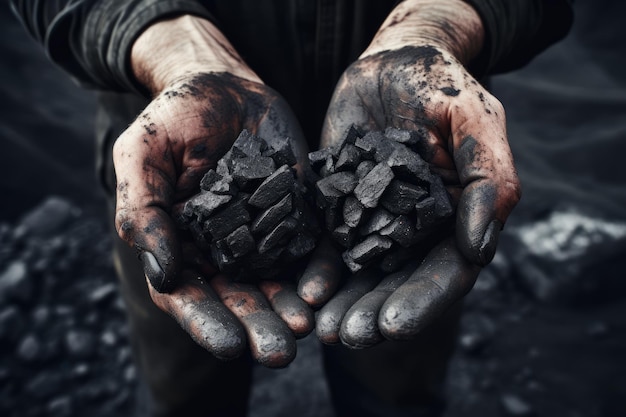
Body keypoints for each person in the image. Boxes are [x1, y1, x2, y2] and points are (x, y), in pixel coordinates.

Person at [11, 0, 573, 415]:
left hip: (420, 128)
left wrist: (439, 22)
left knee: (397, 387)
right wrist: (169, 40)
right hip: (178, 148)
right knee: (180, 390)